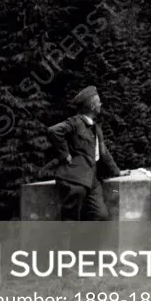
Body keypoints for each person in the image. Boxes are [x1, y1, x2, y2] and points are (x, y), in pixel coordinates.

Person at [47, 86, 125, 221]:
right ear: (92, 105)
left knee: (101, 216)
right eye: (99, 101)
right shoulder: (75, 122)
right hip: (74, 179)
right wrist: (65, 154)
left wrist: (117, 172)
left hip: (92, 180)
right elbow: (54, 131)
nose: (101, 104)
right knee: (70, 221)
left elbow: (104, 153)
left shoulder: (96, 128)